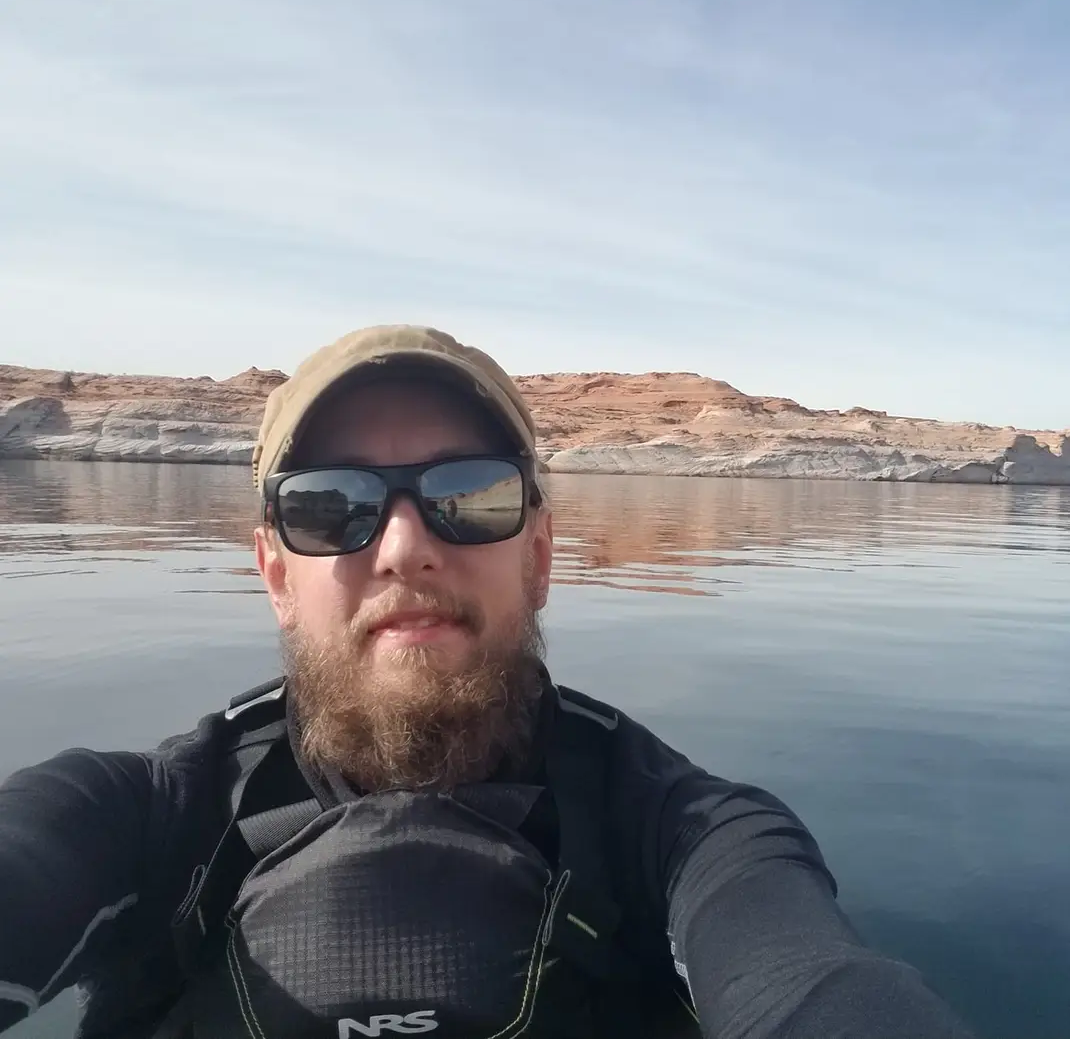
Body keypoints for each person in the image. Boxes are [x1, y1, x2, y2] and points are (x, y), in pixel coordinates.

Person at [0, 325, 975, 1039]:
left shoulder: (679, 833)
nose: (404, 546)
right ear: (273, 575)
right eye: (331, 505)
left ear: (540, 555)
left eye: (467, 495)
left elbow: (809, 980)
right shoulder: (140, 816)